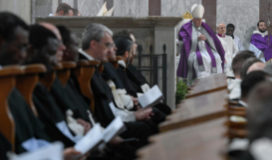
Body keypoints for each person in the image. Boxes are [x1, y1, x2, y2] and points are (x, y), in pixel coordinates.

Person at [0, 12, 84, 159]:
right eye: (20, 47)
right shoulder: (11, 81)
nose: (24, 56)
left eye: (26, 49)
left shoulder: (12, 82)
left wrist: (59, 153)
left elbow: (37, 131)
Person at [79, 23, 156, 148]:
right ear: (93, 44)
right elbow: (105, 114)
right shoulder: (84, 70)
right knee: (146, 129)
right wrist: (133, 116)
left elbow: (112, 108)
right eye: (108, 45)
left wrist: (134, 115)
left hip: (113, 121)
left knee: (151, 120)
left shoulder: (96, 67)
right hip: (104, 129)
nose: (112, 50)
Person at [177, 4, 225, 83]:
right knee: (202, 58)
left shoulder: (204, 26)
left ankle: (215, 82)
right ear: (193, 19)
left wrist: (206, 39)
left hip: (207, 49)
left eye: (201, 20)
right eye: (197, 20)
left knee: (216, 57)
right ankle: (202, 83)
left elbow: (213, 38)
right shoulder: (186, 27)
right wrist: (196, 39)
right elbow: (184, 40)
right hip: (195, 50)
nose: (200, 22)